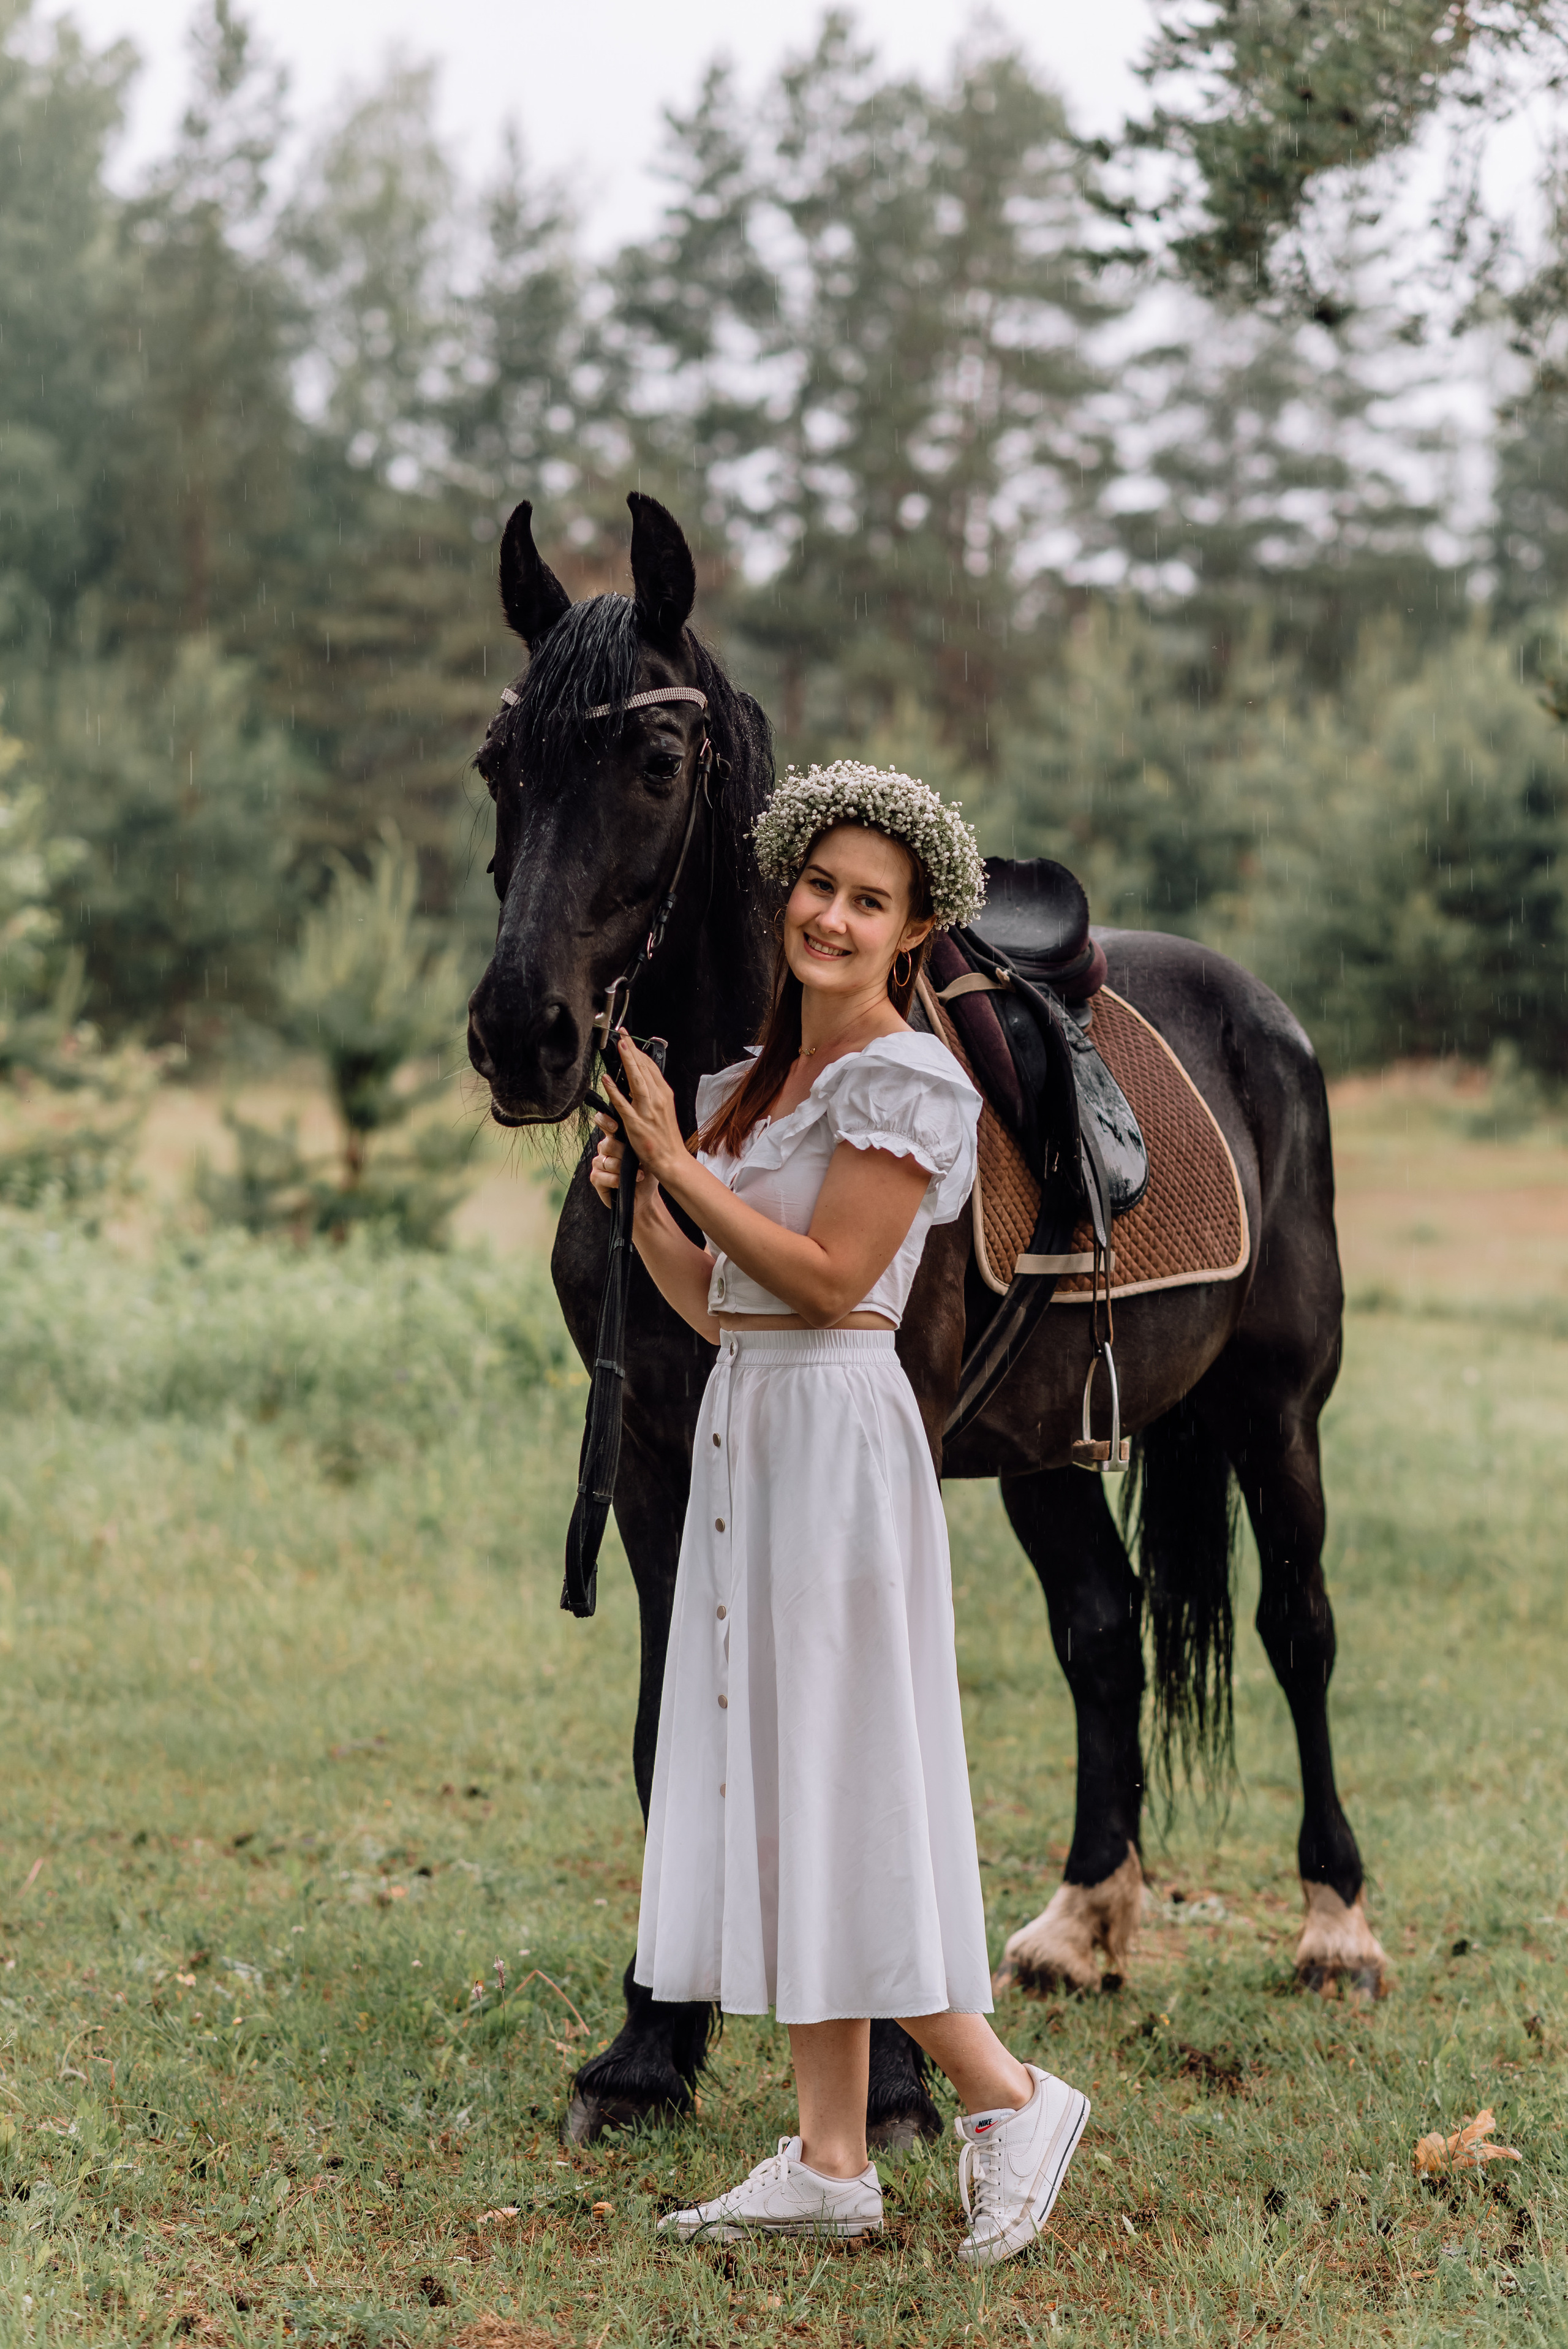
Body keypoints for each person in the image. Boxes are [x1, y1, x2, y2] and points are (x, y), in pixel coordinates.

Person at [589, 760, 1089, 2264]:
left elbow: (825, 1277)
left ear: (914, 926)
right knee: (781, 1778)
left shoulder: (909, 1080)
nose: (832, 915)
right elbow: (722, 1302)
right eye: (817, 885)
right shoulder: (758, 1078)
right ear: (784, 889)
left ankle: (1007, 2096)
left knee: (845, 1776)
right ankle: (824, 2159)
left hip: (841, 1434)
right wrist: (641, 1206)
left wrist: (679, 1164)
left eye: (869, 901)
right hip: (759, 1415)